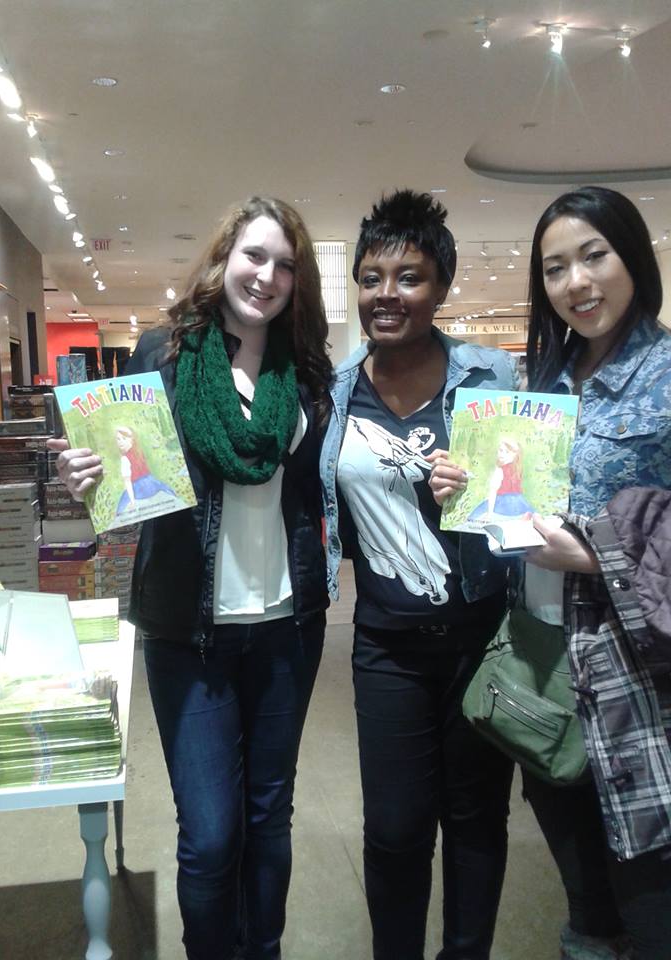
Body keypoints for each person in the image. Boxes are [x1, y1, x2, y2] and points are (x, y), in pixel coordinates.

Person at [50, 196, 332, 960]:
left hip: (286, 630)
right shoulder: (164, 355)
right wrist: (86, 475)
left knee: (270, 820)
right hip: (188, 631)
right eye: (254, 255)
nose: (267, 275)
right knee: (210, 836)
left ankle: (261, 949)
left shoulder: (303, 370)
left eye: (284, 264)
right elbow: (123, 471)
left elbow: (313, 489)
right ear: (223, 258)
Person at [432, 186, 671, 960]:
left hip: (635, 682)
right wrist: (463, 486)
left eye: (594, 256)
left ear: (633, 256)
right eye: (556, 267)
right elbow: (520, 505)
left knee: (652, 904)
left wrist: (601, 555)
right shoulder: (543, 382)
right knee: (586, 905)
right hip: (541, 664)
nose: (577, 283)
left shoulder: (665, 377)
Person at [320, 189, 518, 960]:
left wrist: (487, 492)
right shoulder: (339, 391)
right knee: (395, 827)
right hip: (385, 646)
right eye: (371, 277)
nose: (386, 295)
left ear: (441, 288)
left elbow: (535, 496)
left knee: (474, 820)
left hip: (480, 636)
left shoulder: (491, 379)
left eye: (408, 277)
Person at [114, 425, 177, 513]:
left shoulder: (125, 459)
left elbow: (127, 482)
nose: (120, 442)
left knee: (120, 509)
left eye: (124, 438)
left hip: (139, 488)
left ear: (132, 440)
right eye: (118, 439)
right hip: (152, 483)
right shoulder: (139, 452)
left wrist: (132, 501)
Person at [468, 436, 533, 521]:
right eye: (500, 450)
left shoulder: (500, 471)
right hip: (519, 503)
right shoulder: (517, 469)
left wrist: (489, 513)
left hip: (504, 503)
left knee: (475, 517)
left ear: (515, 455)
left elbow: (493, 492)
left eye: (507, 452)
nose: (502, 454)